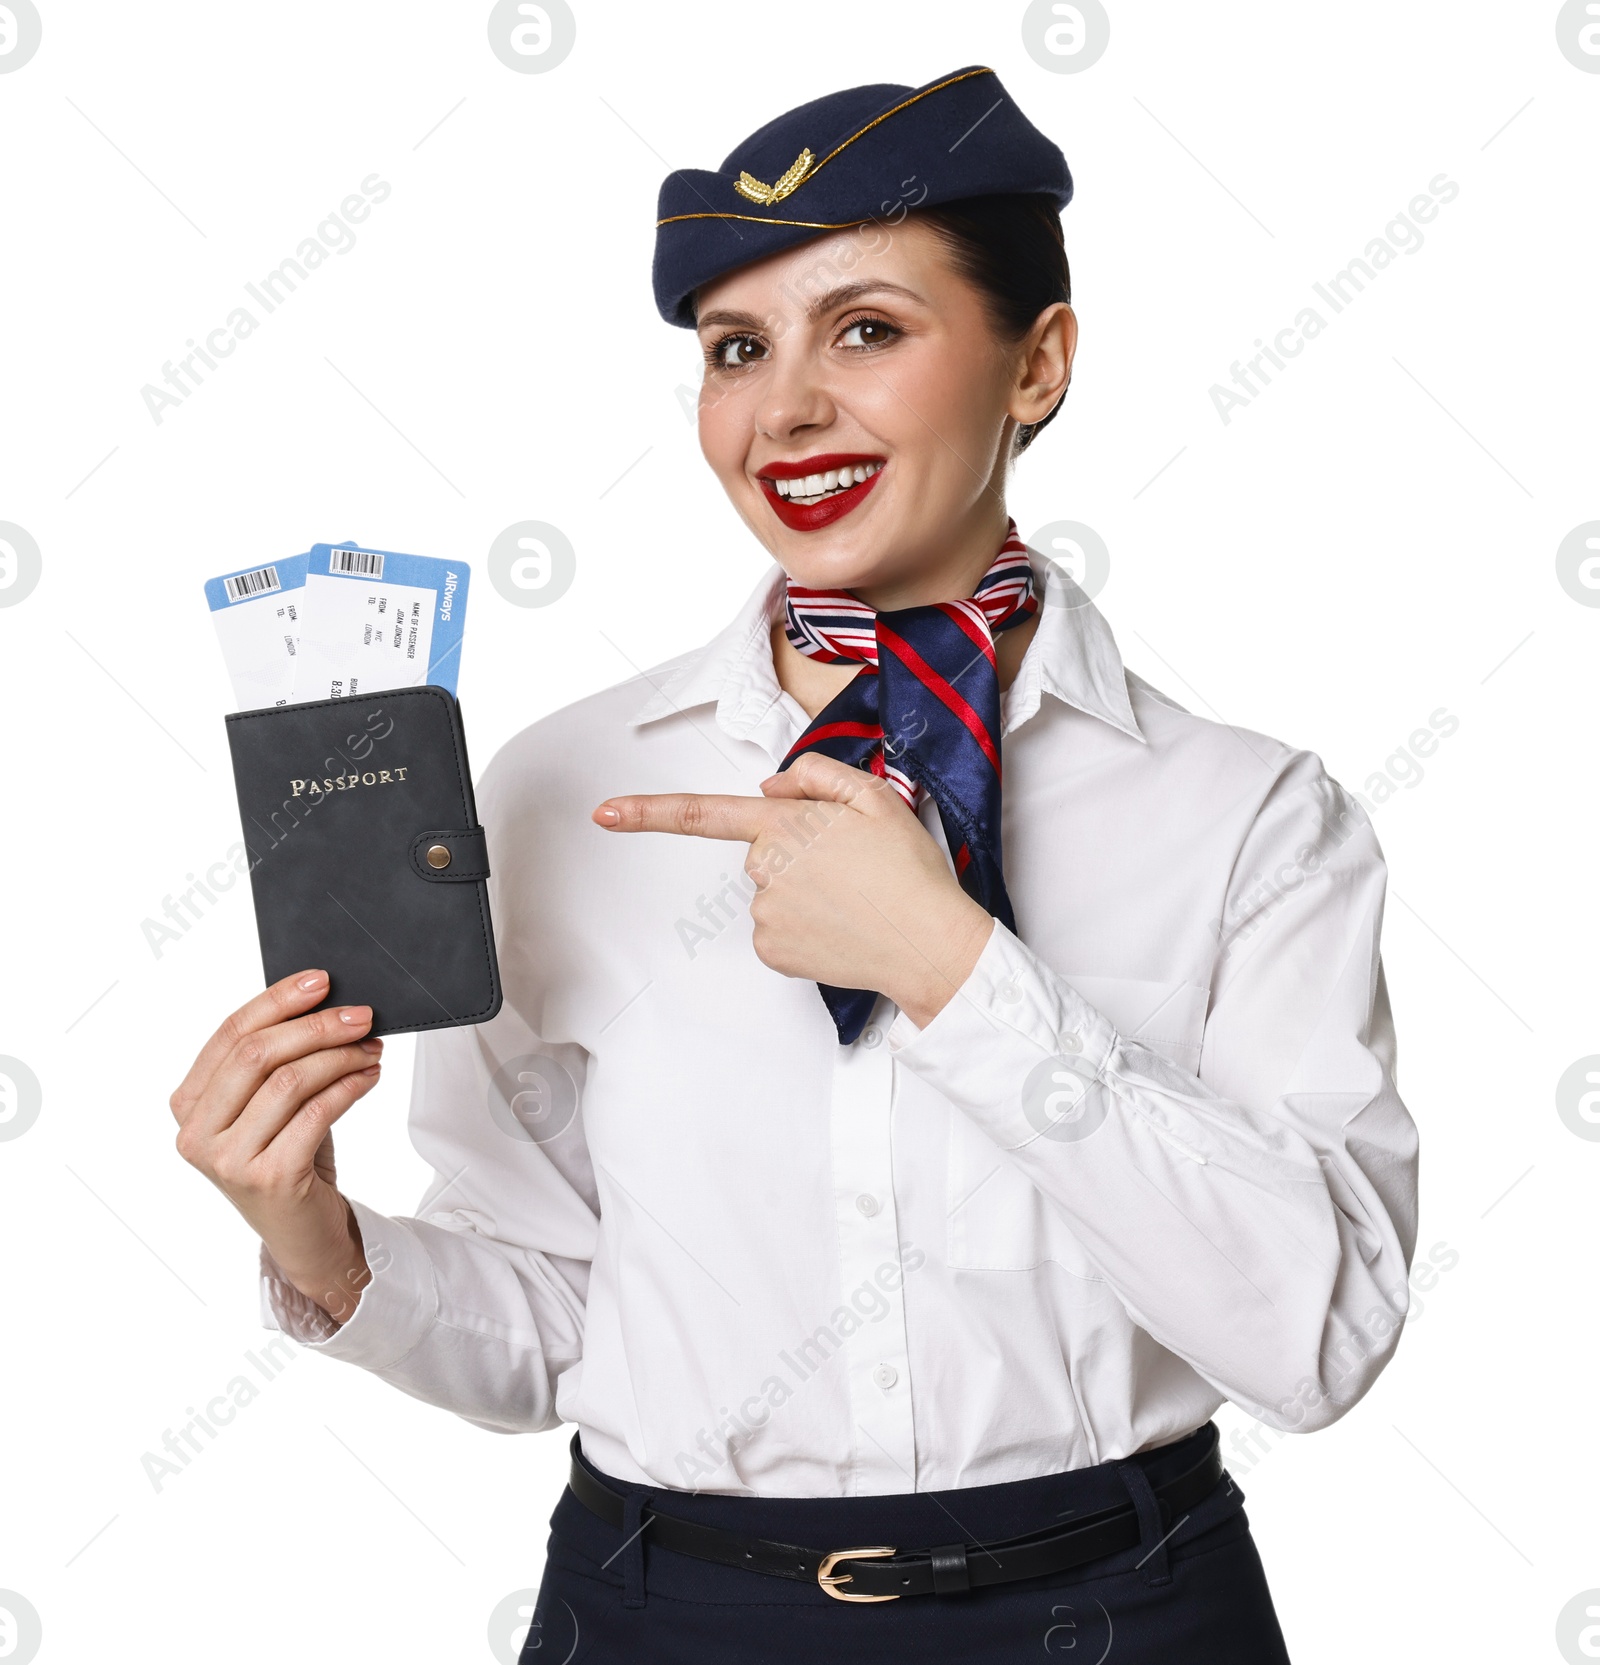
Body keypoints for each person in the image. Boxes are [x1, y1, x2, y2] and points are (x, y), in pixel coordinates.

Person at [170, 64, 1419, 1663]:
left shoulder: (1248, 817)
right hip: (663, 1611)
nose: (786, 409)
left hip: (1116, 1610)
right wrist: (317, 1238)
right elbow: (560, 1312)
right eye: (736, 351)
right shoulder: (561, 790)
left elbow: (1318, 1342)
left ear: (1037, 362)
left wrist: (957, 971)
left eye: (869, 330)